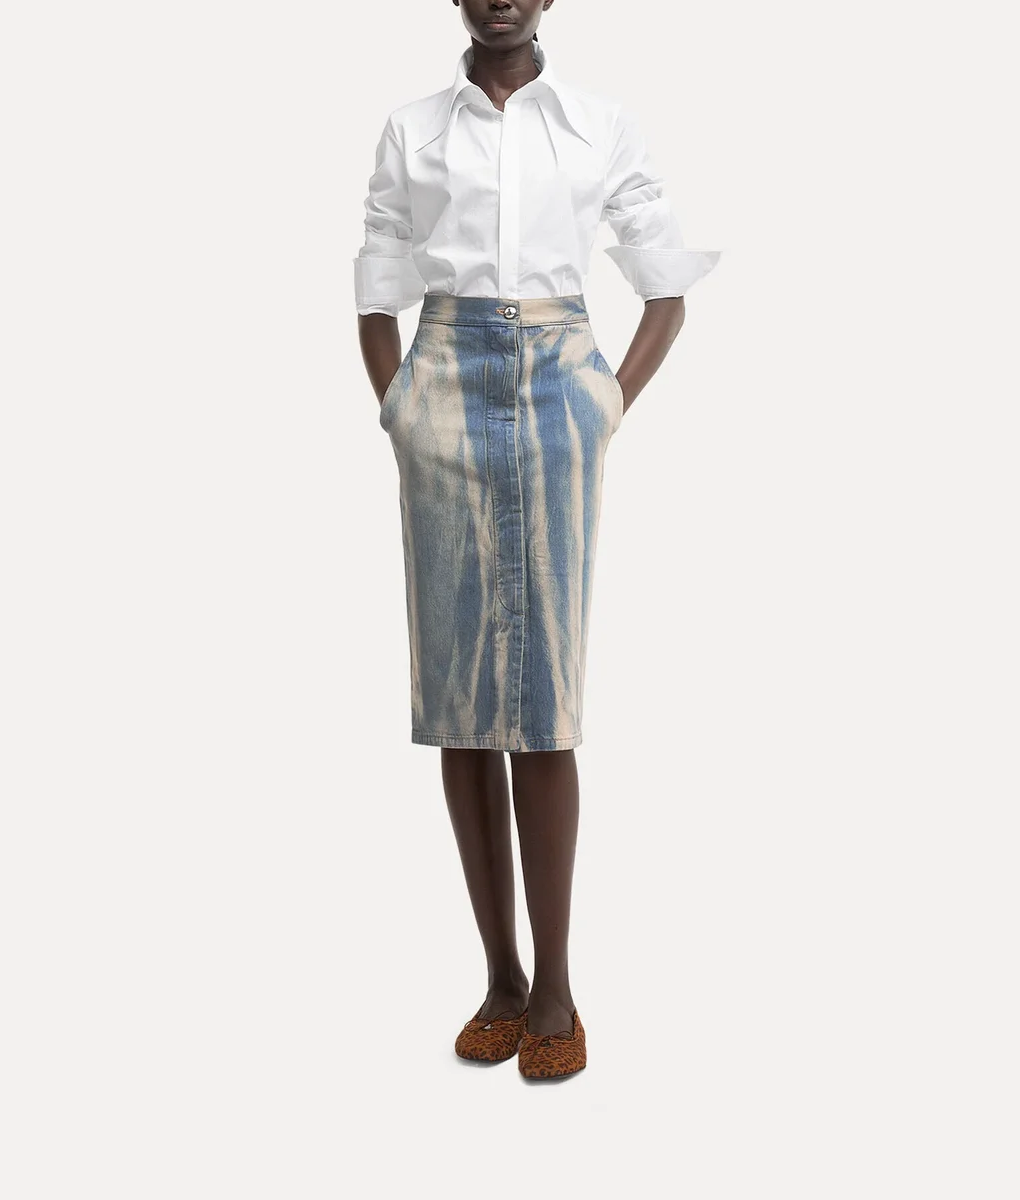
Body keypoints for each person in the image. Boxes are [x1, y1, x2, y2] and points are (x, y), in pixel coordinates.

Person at [354, 0, 719, 1080]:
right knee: (460, 694)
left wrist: (608, 403)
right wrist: (398, 409)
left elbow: (664, 287)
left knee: (544, 694)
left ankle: (556, 984)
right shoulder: (413, 128)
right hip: (443, 383)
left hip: (561, 387)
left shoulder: (598, 124)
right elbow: (377, 281)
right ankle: (499, 978)